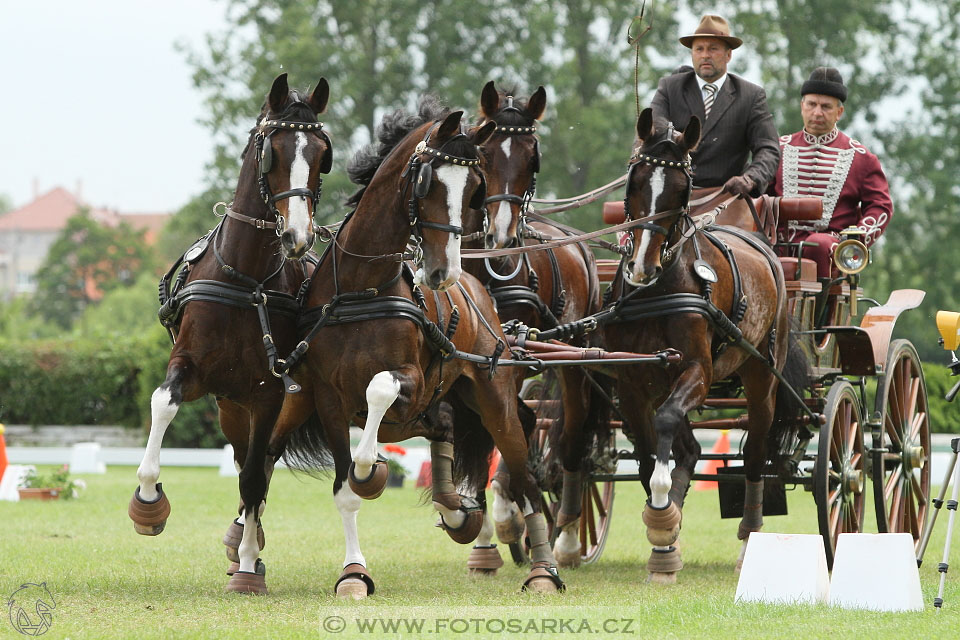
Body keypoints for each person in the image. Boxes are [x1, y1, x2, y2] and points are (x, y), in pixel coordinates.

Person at [772, 67, 893, 278]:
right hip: (778, 242)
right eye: (811, 104)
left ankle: (816, 310)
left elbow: (880, 206)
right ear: (802, 106)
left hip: (829, 247)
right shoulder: (778, 148)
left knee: (817, 245)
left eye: (826, 106)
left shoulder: (862, 158)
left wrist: (855, 240)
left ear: (839, 112)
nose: (817, 112)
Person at [651, 14, 780, 197]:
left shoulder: (751, 96)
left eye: (713, 49)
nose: (705, 55)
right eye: (699, 49)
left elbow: (768, 148)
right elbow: (652, 130)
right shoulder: (669, 87)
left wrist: (749, 179)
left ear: (728, 55)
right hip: (671, 198)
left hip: (728, 199)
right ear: (692, 54)